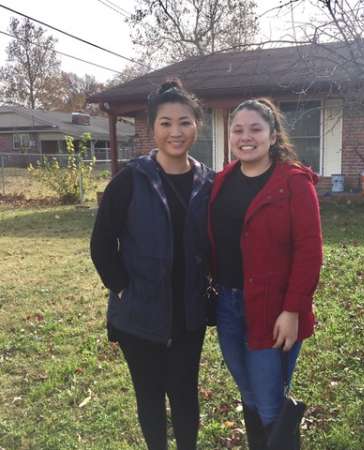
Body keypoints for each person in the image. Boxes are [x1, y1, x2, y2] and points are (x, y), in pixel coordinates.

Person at [90, 79, 214, 450]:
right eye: (165, 123)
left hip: (189, 314)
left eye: (184, 122)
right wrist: (123, 286)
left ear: (197, 125)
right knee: (149, 396)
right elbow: (101, 243)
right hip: (139, 318)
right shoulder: (131, 180)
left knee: (185, 395)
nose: (175, 131)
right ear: (152, 128)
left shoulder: (209, 182)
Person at [209, 99, 323, 449]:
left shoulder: (293, 184)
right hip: (228, 306)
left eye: (255, 129)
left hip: (274, 309)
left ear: (273, 136)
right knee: (250, 395)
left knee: (270, 403)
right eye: (238, 129)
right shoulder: (224, 179)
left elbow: (310, 251)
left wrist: (292, 311)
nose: (246, 137)